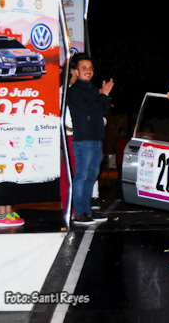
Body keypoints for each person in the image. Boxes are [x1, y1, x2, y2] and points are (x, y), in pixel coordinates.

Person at [66, 53, 113, 226]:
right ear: (76, 72)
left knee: (92, 175)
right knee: (82, 175)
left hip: (97, 138)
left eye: (91, 68)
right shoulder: (74, 91)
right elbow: (88, 109)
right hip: (83, 139)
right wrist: (102, 95)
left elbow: (106, 110)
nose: (88, 70)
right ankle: (79, 213)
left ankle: (87, 211)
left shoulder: (93, 90)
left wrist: (105, 95)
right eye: (84, 68)